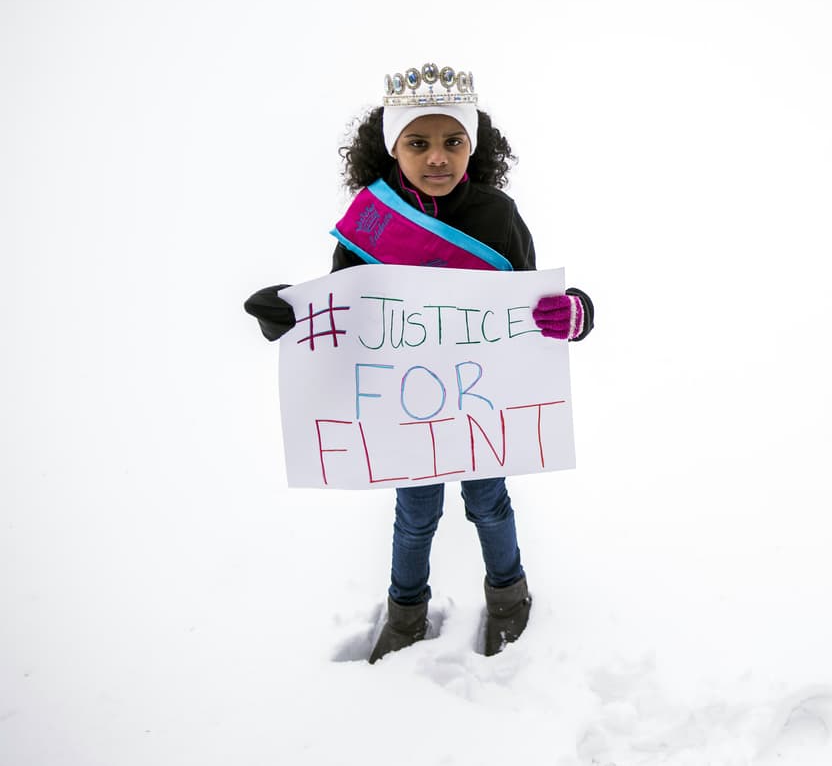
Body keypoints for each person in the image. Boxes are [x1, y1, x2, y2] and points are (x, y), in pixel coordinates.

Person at [244, 61, 594, 663]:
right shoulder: (371, 222)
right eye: (418, 143)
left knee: (489, 504)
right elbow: (345, 319)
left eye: (453, 141)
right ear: (392, 148)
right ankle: (405, 614)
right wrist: (290, 315)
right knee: (415, 514)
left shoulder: (498, 215)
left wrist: (572, 312)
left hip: (480, 406)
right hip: (408, 415)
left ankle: (508, 599)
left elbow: (532, 304)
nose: (438, 157)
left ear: (473, 146)